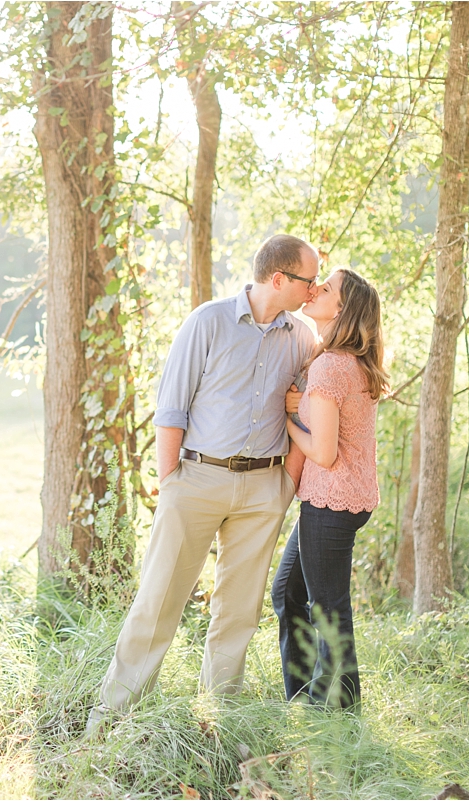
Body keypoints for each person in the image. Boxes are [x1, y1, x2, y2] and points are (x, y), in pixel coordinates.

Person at [86, 234, 319, 734]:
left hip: (263, 489)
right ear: (279, 278)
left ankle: (219, 721)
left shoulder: (302, 337)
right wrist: (172, 480)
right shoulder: (207, 321)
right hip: (196, 479)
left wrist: (287, 484)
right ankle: (111, 719)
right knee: (158, 600)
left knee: (239, 611)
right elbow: (171, 405)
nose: (314, 288)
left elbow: (309, 410)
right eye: (308, 278)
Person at [270, 267, 390, 709]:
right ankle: (305, 696)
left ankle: (336, 708)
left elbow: (322, 453)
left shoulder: (330, 366)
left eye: (328, 287)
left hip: (331, 501)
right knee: (288, 593)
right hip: (345, 498)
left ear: (342, 309)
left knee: (328, 609)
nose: (316, 289)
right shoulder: (347, 362)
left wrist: (284, 419)